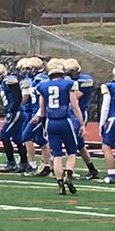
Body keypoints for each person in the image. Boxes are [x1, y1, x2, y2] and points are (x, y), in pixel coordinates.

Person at [32, 58, 83, 195]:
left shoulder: (42, 86)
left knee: (57, 155)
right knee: (72, 152)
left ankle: (60, 185)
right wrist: (81, 123)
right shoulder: (68, 84)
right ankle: (69, 175)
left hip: (50, 122)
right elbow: (75, 106)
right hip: (64, 121)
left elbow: (42, 111)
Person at [65, 59, 100, 180]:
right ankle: (92, 169)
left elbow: (76, 96)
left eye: (71, 72)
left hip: (79, 113)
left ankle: (70, 170)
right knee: (80, 145)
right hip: (70, 113)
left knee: (72, 143)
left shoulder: (85, 80)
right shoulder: (70, 81)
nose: (70, 74)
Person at [0, 62, 25, 173]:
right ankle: (24, 163)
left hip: (16, 112)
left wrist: (12, 110)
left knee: (4, 135)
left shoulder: (9, 80)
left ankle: (11, 163)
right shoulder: (5, 82)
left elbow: (18, 97)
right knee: (17, 138)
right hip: (15, 111)